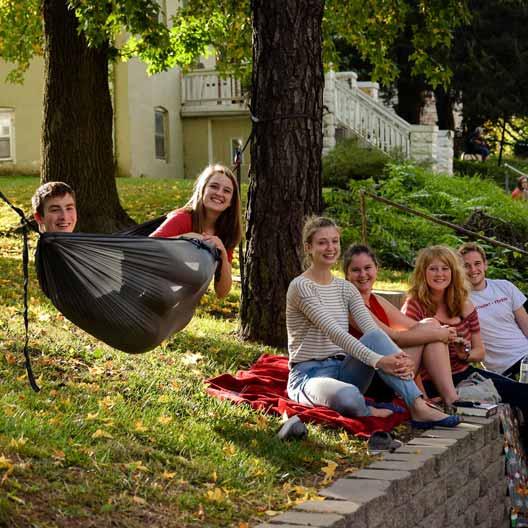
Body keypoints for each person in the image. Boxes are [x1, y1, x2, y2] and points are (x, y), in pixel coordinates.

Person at [286, 217, 459, 428]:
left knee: (377, 335)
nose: (330, 248)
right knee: (348, 397)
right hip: (308, 374)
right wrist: (379, 361)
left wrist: (396, 357)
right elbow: (335, 333)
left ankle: (418, 405)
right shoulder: (301, 286)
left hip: (346, 368)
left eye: (335, 241)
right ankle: (368, 409)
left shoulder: (346, 288)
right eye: (322, 242)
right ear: (308, 247)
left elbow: (373, 332)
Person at [403, 245, 528, 411]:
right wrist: (421, 397)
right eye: (433, 269)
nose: (439, 274)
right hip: (431, 381)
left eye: (445, 268)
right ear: (422, 273)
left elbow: (479, 352)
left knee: (524, 393)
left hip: (464, 372)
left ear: (453, 272)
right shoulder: (414, 305)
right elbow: (409, 357)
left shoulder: (465, 305)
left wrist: (465, 355)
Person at [343, 244, 459, 405]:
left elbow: (414, 327)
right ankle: (449, 399)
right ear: (347, 275)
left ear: (377, 269)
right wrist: (440, 334)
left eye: (368, 268)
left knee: (430, 324)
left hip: (394, 369)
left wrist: (440, 330)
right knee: (432, 332)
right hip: (372, 376)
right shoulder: (351, 304)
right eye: (356, 270)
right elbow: (395, 338)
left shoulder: (376, 299)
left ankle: (450, 399)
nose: (363, 274)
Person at [150, 164, 242, 298]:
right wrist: (186, 238)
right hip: (151, 292)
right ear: (203, 189)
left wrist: (222, 252)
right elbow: (146, 247)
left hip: (180, 304)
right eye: (214, 186)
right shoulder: (182, 218)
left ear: (231, 202)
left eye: (227, 191)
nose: (219, 193)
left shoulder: (225, 233)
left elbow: (222, 292)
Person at [459, 242, 528, 378]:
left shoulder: (505, 286)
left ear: (485, 264)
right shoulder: (460, 302)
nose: (473, 270)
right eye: (466, 266)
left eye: (477, 263)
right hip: (506, 369)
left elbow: (526, 325)